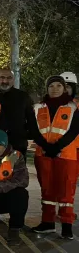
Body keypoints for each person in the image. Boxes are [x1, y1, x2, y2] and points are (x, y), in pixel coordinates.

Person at [31, 75, 79, 239]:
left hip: (65, 155)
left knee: (66, 190)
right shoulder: (38, 107)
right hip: (43, 154)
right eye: (52, 86)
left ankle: (67, 225)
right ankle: (48, 222)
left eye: (59, 85)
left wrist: (56, 147)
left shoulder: (72, 107)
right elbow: (33, 129)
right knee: (47, 190)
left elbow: (74, 131)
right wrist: (46, 147)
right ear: (47, 88)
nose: (55, 89)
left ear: (64, 88)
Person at [0, 68, 37, 157]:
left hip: (17, 144)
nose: (5, 81)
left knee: (18, 170)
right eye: (2, 77)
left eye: (9, 78)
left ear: (13, 80)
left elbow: (31, 120)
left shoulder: (23, 96)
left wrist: (26, 134)